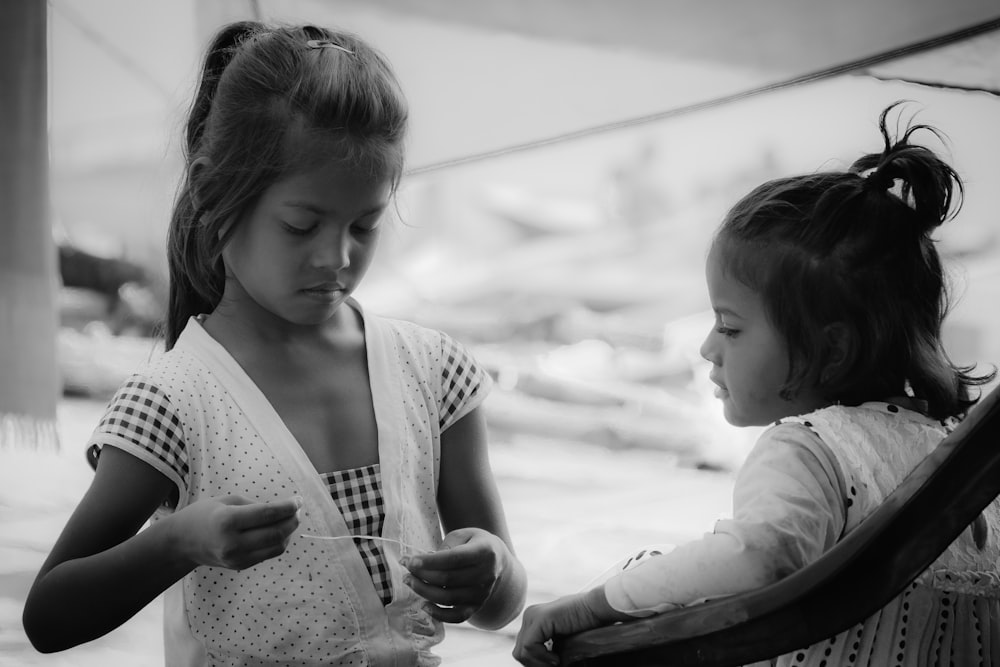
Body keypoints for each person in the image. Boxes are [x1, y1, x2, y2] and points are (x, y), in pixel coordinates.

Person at [23, 21, 526, 666]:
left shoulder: (434, 373)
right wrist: (178, 543)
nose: (336, 256)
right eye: (301, 224)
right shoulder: (175, 403)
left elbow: (501, 604)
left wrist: (491, 570)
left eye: (365, 226)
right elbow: (48, 618)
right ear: (212, 192)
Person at [513, 103, 999, 666]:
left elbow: (759, 555)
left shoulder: (810, 448)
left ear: (832, 349)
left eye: (731, 327)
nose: (707, 349)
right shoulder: (951, 459)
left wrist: (596, 603)